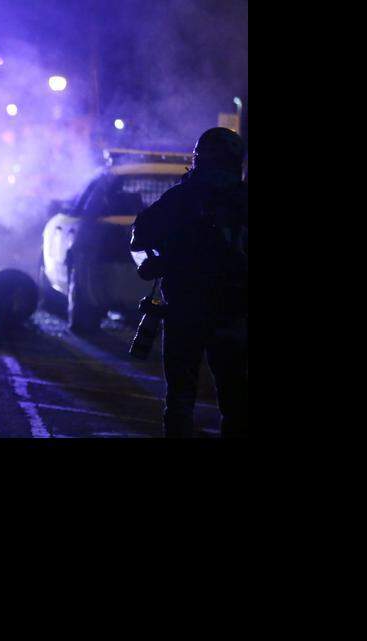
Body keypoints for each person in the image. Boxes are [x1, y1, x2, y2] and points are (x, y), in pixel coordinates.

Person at [129, 127, 249, 438]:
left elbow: (140, 240)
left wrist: (151, 264)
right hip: (229, 314)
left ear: (199, 159)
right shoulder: (224, 200)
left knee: (182, 398)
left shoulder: (180, 199)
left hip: (189, 311)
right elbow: (141, 242)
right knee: (235, 399)